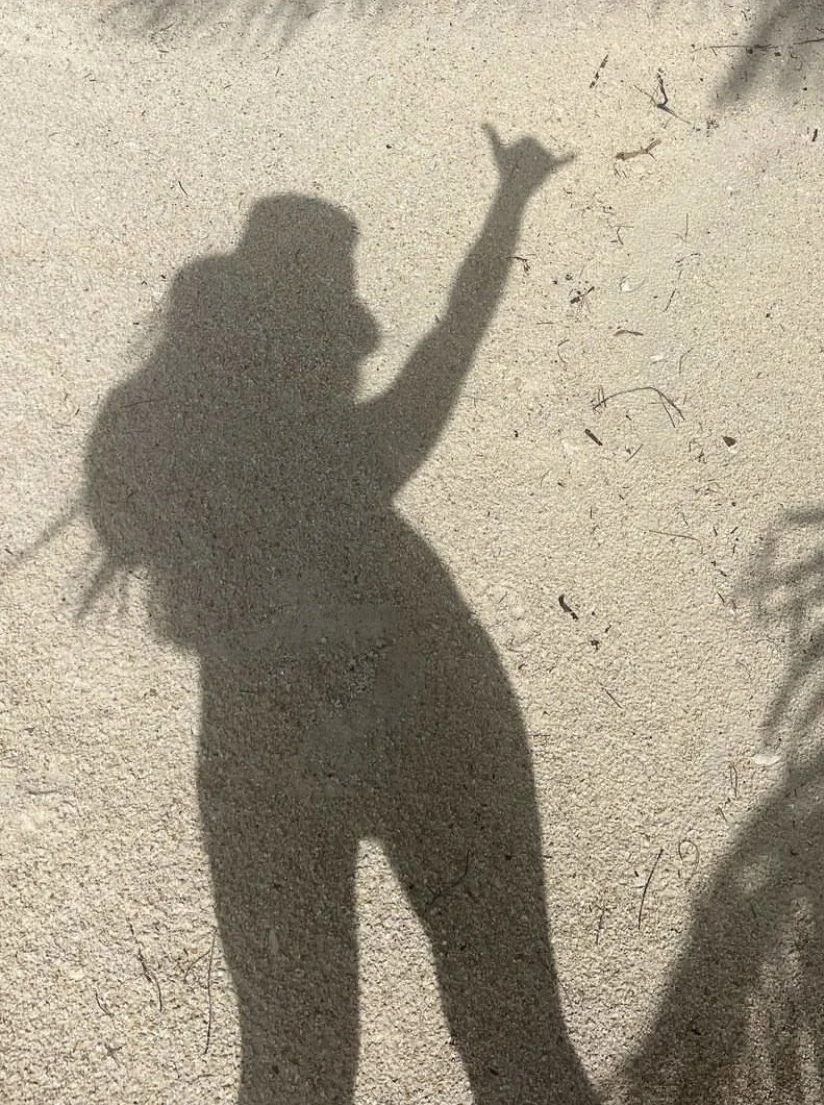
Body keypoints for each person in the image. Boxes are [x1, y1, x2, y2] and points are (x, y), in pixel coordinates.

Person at [83, 128, 595, 1105]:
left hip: (275, 747)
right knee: (512, 1038)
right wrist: (509, 203)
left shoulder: (175, 466)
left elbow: (130, 523)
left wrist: (509, 203)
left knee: (296, 1067)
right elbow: (454, 335)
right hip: (436, 717)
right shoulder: (354, 459)